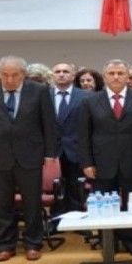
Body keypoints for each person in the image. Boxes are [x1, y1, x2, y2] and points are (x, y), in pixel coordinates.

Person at [0, 56, 58, 262]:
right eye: (5, 75)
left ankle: (33, 243)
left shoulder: (39, 91)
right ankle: (6, 244)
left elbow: (49, 124)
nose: (10, 79)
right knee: (2, 203)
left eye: (15, 75)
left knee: (32, 202)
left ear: (23, 75)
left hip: (30, 155)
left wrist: (50, 153)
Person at [78, 59, 132, 257]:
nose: (116, 77)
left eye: (120, 73)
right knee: (104, 205)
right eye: (112, 73)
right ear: (104, 76)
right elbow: (83, 135)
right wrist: (87, 162)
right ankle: (108, 241)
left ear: (128, 77)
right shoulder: (90, 101)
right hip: (101, 163)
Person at [50, 63, 90, 215]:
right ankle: (56, 220)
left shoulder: (86, 96)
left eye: (65, 71)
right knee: (55, 190)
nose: (61, 74)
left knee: (75, 190)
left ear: (73, 76)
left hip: (76, 150)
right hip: (51, 152)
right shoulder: (43, 95)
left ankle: (76, 219)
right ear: (52, 75)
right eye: (57, 71)